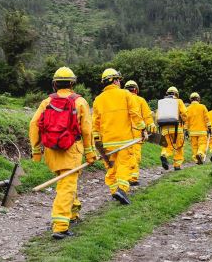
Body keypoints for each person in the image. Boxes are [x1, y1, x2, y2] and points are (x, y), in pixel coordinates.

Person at [30, 67, 95, 239]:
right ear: (73, 83)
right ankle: (60, 226)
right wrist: (90, 153)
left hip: (52, 151)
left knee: (67, 183)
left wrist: (36, 151)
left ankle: (73, 214)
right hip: (71, 151)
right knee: (66, 187)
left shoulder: (46, 102)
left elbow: (34, 124)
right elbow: (87, 131)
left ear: (55, 83)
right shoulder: (80, 102)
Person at [93, 69, 146, 205]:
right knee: (124, 165)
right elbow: (135, 114)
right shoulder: (125, 94)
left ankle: (113, 191)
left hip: (107, 142)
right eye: (119, 80)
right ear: (115, 80)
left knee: (111, 167)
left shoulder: (98, 100)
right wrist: (143, 129)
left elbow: (96, 124)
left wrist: (97, 141)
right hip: (125, 140)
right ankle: (121, 190)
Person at [124, 80, 155, 185]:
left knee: (126, 155)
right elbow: (147, 116)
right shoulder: (140, 100)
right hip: (137, 132)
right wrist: (151, 129)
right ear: (136, 90)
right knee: (135, 155)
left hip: (124, 132)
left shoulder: (122, 99)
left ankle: (125, 176)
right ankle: (132, 178)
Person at [159, 86, 187, 171]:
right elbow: (184, 114)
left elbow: (157, 116)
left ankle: (164, 155)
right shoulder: (178, 101)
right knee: (179, 147)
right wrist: (184, 121)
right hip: (177, 129)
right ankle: (177, 165)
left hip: (164, 129)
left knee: (167, 146)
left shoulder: (162, 102)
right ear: (176, 94)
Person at [185, 92, 211, 165]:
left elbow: (186, 120)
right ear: (198, 99)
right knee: (202, 144)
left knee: (194, 146)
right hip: (202, 131)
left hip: (192, 132)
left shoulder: (188, 108)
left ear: (190, 99)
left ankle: (196, 160)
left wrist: (186, 130)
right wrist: (209, 127)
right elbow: (207, 118)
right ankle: (200, 154)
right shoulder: (202, 107)